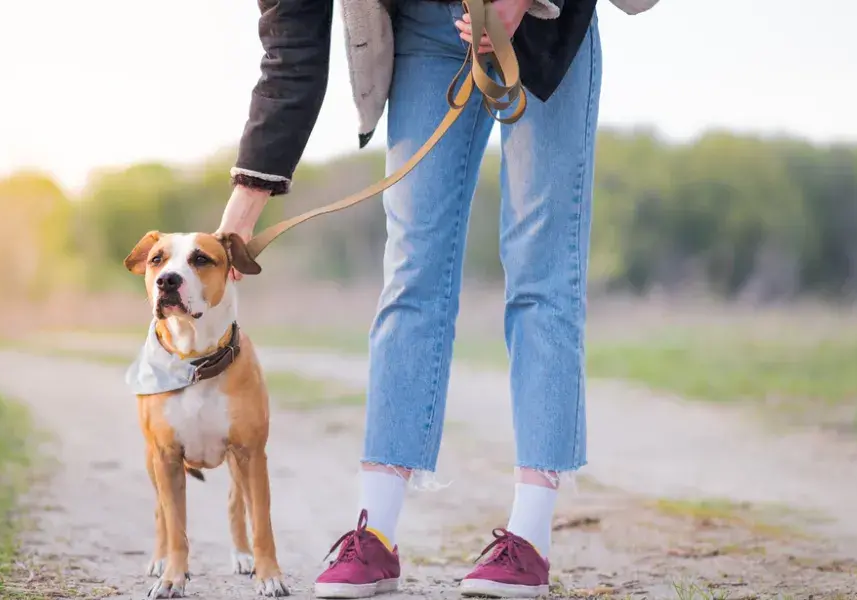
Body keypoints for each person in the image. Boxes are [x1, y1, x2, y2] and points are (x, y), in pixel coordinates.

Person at [216, 0, 660, 597]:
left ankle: (528, 540)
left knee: (542, 270)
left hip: (546, 24)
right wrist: (241, 214)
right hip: (425, 29)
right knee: (411, 270)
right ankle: (374, 535)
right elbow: (292, 50)